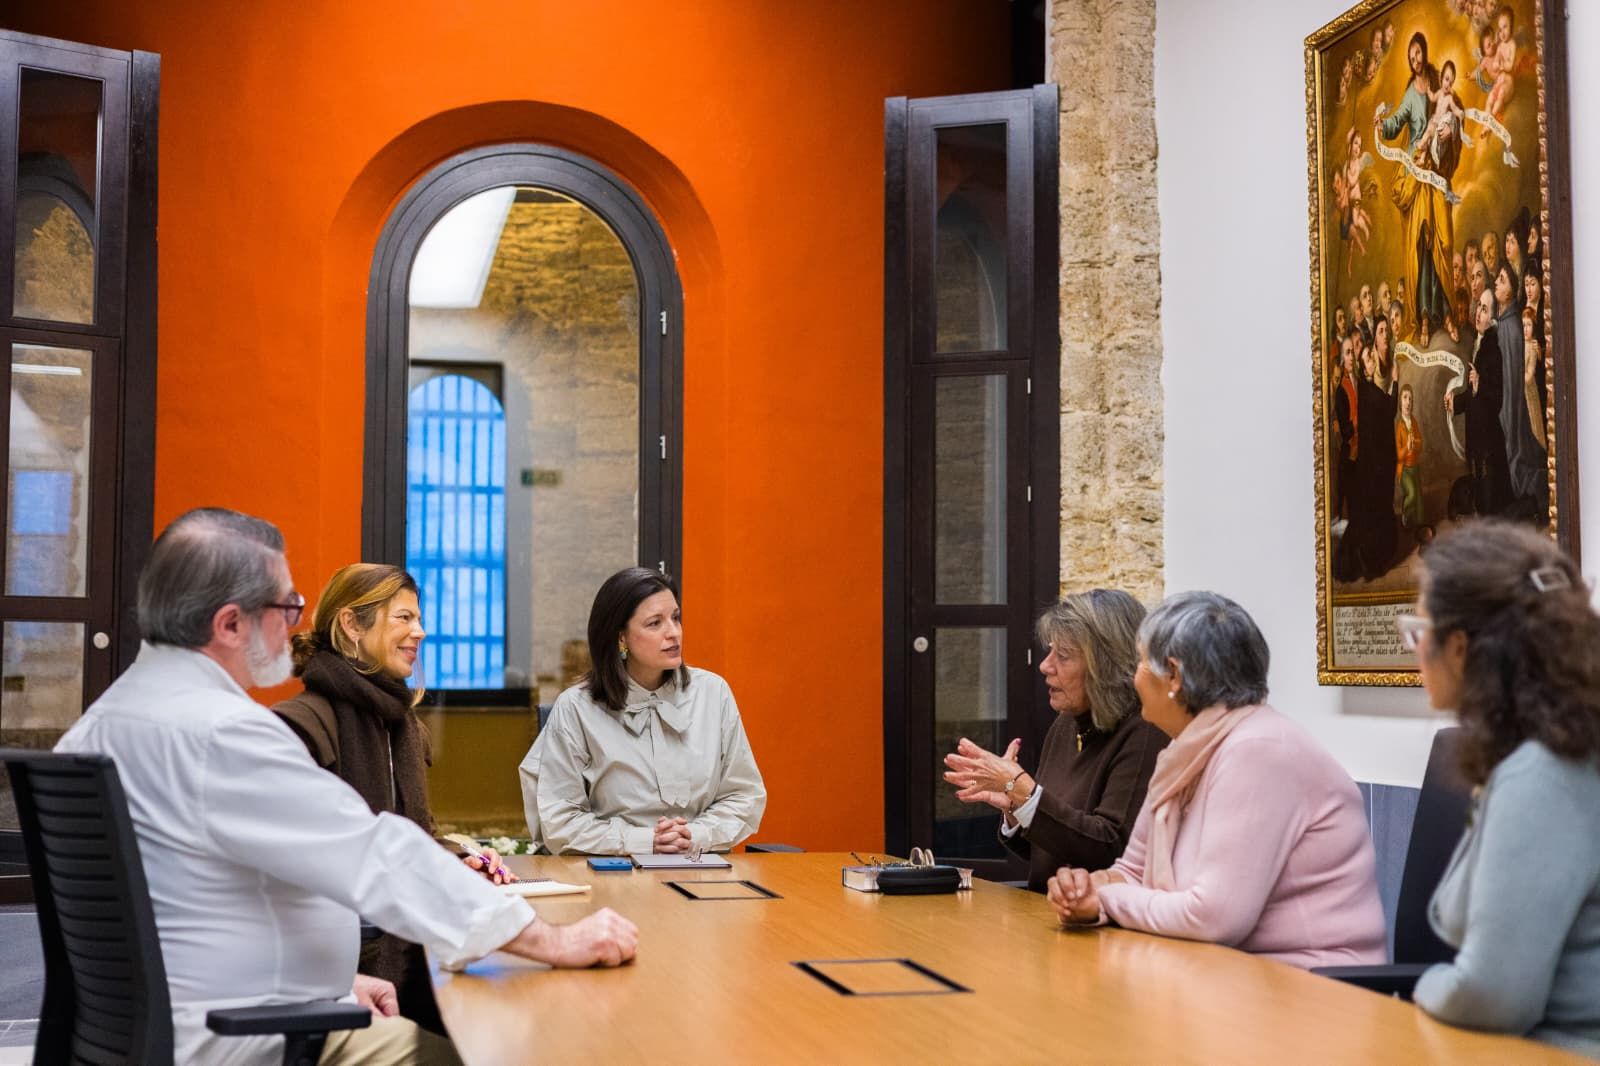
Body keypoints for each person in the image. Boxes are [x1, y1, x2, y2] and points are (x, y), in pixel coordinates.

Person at [55, 508, 638, 1066]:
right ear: (230, 624)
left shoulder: (97, 728)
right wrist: (551, 941)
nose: (294, 624)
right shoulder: (222, 735)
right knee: (492, 1052)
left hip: (189, 1023)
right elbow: (377, 856)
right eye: (285, 606)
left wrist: (330, 984)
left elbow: (181, 907)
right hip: (247, 1041)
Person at [1046, 592, 1386, 970]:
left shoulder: (1259, 750)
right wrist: (1087, 889)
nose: (1133, 676)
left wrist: (1107, 900)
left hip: (1309, 985)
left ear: (1173, 676)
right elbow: (1133, 871)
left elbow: (1214, 918)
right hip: (1224, 973)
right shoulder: (1183, 750)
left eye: (1140, 662)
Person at [273, 563, 502, 1035]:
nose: (420, 631)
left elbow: (414, 837)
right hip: (340, 980)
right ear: (351, 625)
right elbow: (298, 876)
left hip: (416, 960)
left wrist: (459, 858)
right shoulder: (298, 728)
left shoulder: (404, 727)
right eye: (404, 618)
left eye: (419, 618)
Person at [1400, 520, 1600, 1056]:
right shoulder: (1564, 749)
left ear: (1459, 647)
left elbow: (1491, 997)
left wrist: (1422, 987)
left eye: (1419, 631)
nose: (1416, 650)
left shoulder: (1542, 777)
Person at [520, 566, 766, 855]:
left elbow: (743, 795)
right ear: (620, 637)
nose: (673, 633)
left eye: (676, 618)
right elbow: (560, 820)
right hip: (609, 869)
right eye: (654, 623)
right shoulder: (576, 708)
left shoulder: (713, 693)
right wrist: (644, 841)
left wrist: (694, 835)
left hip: (700, 866)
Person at [942, 590, 1169, 891]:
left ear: (1106, 664)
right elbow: (1052, 852)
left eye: (1063, 656)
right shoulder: (1067, 723)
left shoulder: (1145, 730)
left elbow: (1111, 849)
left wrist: (1025, 792)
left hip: (1101, 915)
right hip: (1049, 908)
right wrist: (1015, 809)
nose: (1045, 666)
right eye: (1050, 652)